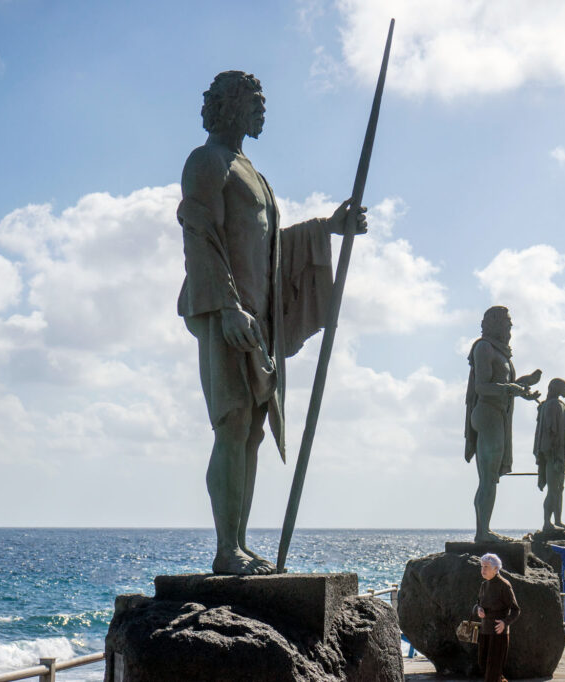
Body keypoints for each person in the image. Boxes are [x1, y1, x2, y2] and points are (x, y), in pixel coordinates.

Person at [178, 71, 368, 575]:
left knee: (253, 431)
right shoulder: (207, 161)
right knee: (231, 422)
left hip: (258, 320)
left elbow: (271, 246)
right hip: (227, 314)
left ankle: (238, 543)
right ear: (230, 106)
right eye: (255, 102)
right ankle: (226, 549)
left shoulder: (254, 173)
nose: (263, 111)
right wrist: (225, 308)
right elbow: (197, 234)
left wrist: (329, 227)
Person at [464, 307, 542, 541]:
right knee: (488, 478)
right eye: (507, 323)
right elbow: (482, 387)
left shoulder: (502, 353)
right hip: (487, 414)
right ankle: (483, 533)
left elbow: (503, 385)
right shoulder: (484, 347)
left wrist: (523, 386)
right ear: (494, 324)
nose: (510, 328)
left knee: (490, 478)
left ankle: (484, 530)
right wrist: (511, 388)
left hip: (497, 414)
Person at [533, 378, 565, 531]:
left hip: (560, 453)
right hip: (553, 453)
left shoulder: (559, 405)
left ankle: (558, 520)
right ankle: (547, 523)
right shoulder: (552, 405)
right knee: (553, 488)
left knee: (559, 488)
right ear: (556, 388)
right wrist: (555, 455)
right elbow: (550, 432)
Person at [474, 553, 520, 682]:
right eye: (482, 566)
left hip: (498, 633)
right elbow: (478, 603)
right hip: (484, 631)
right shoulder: (484, 585)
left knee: (493, 672)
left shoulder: (504, 585)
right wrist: (478, 609)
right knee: (483, 665)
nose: (483, 570)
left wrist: (505, 623)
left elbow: (516, 610)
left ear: (495, 569)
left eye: (486, 567)